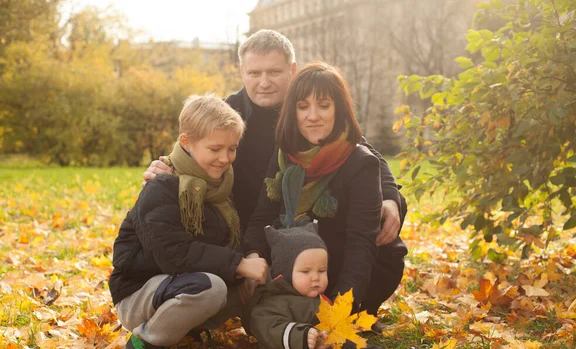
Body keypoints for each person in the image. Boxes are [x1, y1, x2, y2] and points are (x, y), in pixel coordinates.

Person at [143, 30, 408, 318]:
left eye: (274, 72)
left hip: (303, 223)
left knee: (379, 244)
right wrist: (165, 168)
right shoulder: (228, 111)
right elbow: (190, 147)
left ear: (292, 71)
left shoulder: (309, 108)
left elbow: (364, 153)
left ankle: (350, 312)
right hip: (249, 224)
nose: (264, 82)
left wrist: (391, 198)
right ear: (242, 71)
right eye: (254, 73)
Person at [108, 95, 269, 349]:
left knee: (253, 285)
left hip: (180, 283)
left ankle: (277, 342)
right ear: (186, 142)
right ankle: (143, 345)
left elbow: (224, 240)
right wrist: (237, 264)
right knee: (212, 287)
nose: (225, 158)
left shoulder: (217, 187)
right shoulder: (162, 188)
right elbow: (174, 254)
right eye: (215, 148)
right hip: (139, 292)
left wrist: (247, 261)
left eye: (232, 149)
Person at [243, 62, 408, 314]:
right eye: (303, 107)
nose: (313, 115)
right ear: (293, 112)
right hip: (303, 269)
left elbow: (360, 246)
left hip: (351, 270)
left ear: (338, 110)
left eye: (323, 105)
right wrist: (253, 255)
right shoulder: (284, 155)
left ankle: (358, 311)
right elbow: (262, 216)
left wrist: (340, 312)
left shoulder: (360, 161)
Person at [242, 222, 420, 349]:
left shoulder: (320, 299)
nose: (315, 278)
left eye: (321, 270)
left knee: (355, 347)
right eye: (306, 272)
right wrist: (301, 336)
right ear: (284, 273)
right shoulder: (270, 301)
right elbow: (269, 328)